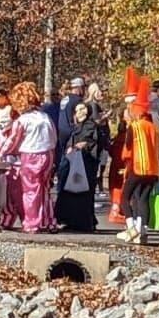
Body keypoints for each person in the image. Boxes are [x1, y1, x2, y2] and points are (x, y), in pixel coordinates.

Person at [115, 70, 159, 246]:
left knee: (125, 198)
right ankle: (142, 230)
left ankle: (131, 227)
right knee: (143, 199)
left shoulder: (134, 126)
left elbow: (128, 146)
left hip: (138, 167)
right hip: (153, 170)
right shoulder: (155, 127)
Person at [5, 81, 58, 233]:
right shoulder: (45, 117)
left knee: (30, 191)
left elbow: (11, 142)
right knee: (44, 189)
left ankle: (31, 223)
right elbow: (54, 137)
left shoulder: (23, 120)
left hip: (30, 156)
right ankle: (49, 222)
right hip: (48, 154)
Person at [57, 98, 103, 232]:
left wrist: (78, 147)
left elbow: (91, 143)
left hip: (85, 165)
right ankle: (70, 220)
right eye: (77, 111)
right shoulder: (77, 127)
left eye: (81, 111)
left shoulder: (90, 126)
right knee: (70, 192)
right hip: (73, 164)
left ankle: (84, 222)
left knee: (83, 192)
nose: (78, 114)